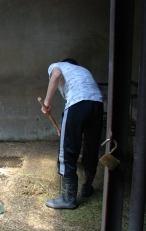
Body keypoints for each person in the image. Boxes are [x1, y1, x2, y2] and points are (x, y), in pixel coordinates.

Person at [41, 58, 103, 209]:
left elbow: (55, 75)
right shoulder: (83, 71)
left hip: (78, 103)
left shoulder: (57, 66)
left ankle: (68, 198)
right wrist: (65, 129)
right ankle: (87, 186)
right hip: (97, 104)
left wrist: (47, 101)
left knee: (67, 150)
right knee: (91, 146)